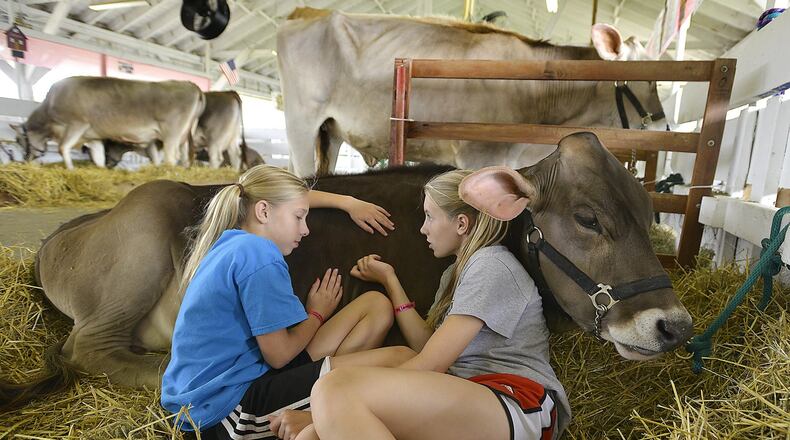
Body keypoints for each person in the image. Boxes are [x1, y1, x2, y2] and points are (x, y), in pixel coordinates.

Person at [295, 169, 571, 440]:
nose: (423, 228)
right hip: (468, 393)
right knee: (311, 434)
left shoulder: (492, 266)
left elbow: (431, 363)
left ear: (462, 224)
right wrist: (391, 281)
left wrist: (323, 412)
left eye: (429, 216)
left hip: (516, 402)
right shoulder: (454, 273)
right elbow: (427, 346)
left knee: (334, 390)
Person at [161, 164, 415, 439]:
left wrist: (347, 203)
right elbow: (279, 355)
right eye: (299, 217)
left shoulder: (232, 243)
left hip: (212, 394)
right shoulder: (260, 255)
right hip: (225, 412)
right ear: (263, 211)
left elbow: (287, 197)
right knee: (401, 358)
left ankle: (327, 387)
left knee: (374, 305)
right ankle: (329, 402)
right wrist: (316, 314)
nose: (305, 229)